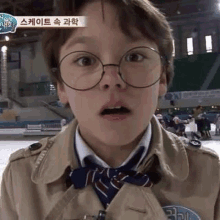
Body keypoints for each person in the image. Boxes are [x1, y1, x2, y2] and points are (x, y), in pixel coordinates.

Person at [1, 1, 220, 219]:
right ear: (60, 86)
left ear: (162, 76)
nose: (112, 79)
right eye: (85, 60)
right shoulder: (20, 179)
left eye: (134, 57)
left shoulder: (211, 177)